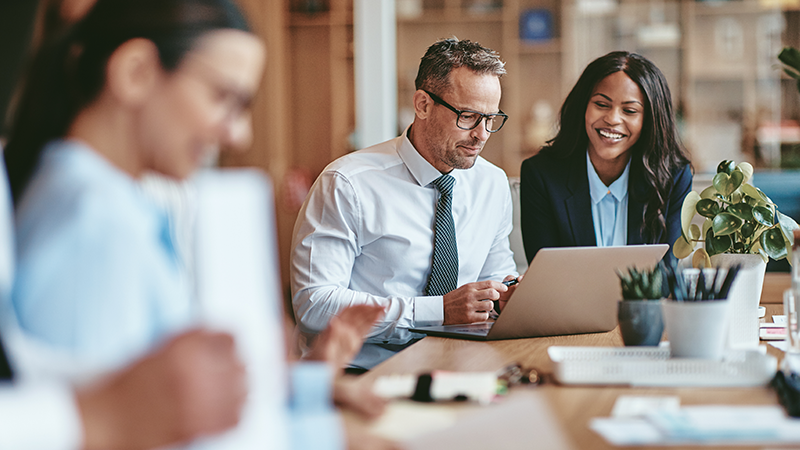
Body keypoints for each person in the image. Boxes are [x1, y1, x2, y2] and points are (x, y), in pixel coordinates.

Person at [3, 0, 394, 448]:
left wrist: (304, 386)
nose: (239, 135)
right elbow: (129, 427)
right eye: (223, 98)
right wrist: (324, 439)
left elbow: (158, 402)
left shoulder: (111, 202)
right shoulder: (93, 226)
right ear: (136, 72)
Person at [291, 38, 520, 370]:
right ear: (423, 105)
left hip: (458, 368)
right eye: (468, 116)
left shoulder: (492, 183)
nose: (482, 134)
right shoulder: (347, 183)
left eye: (491, 118)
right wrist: (437, 312)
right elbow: (314, 305)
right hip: (361, 372)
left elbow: (495, 274)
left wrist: (509, 295)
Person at [519, 51, 692, 263]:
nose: (612, 119)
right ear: (583, 106)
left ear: (649, 120)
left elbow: (667, 272)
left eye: (629, 110)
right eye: (601, 105)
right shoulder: (541, 176)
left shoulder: (673, 177)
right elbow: (546, 272)